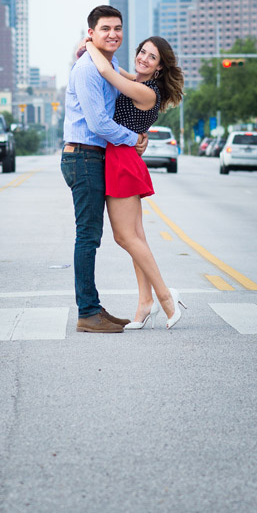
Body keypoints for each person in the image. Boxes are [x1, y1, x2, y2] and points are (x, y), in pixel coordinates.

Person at [83, 34, 187, 330]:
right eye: (142, 51)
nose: (143, 57)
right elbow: (116, 70)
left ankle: (166, 296)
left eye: (151, 57)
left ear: (159, 68)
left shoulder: (148, 92)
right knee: (135, 237)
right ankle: (145, 302)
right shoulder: (140, 83)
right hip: (122, 157)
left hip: (122, 161)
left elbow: (106, 72)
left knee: (125, 237)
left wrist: (90, 43)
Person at [61, 5, 148, 333]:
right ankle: (87, 312)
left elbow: (126, 82)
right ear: (91, 34)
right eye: (106, 29)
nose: (113, 34)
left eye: (118, 28)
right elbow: (97, 122)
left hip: (92, 157)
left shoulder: (105, 65)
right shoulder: (87, 69)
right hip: (83, 157)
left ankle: (94, 307)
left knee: (92, 237)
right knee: (87, 236)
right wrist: (132, 138)